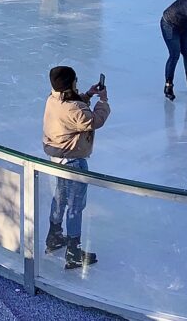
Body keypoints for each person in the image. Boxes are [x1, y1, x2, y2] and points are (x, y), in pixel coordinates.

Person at [42, 65, 111, 270]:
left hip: (57, 159)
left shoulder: (52, 99)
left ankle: (53, 236)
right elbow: (94, 121)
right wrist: (103, 101)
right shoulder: (75, 110)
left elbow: (72, 107)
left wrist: (88, 94)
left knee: (60, 199)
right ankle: (73, 251)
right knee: (75, 205)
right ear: (71, 84)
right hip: (73, 162)